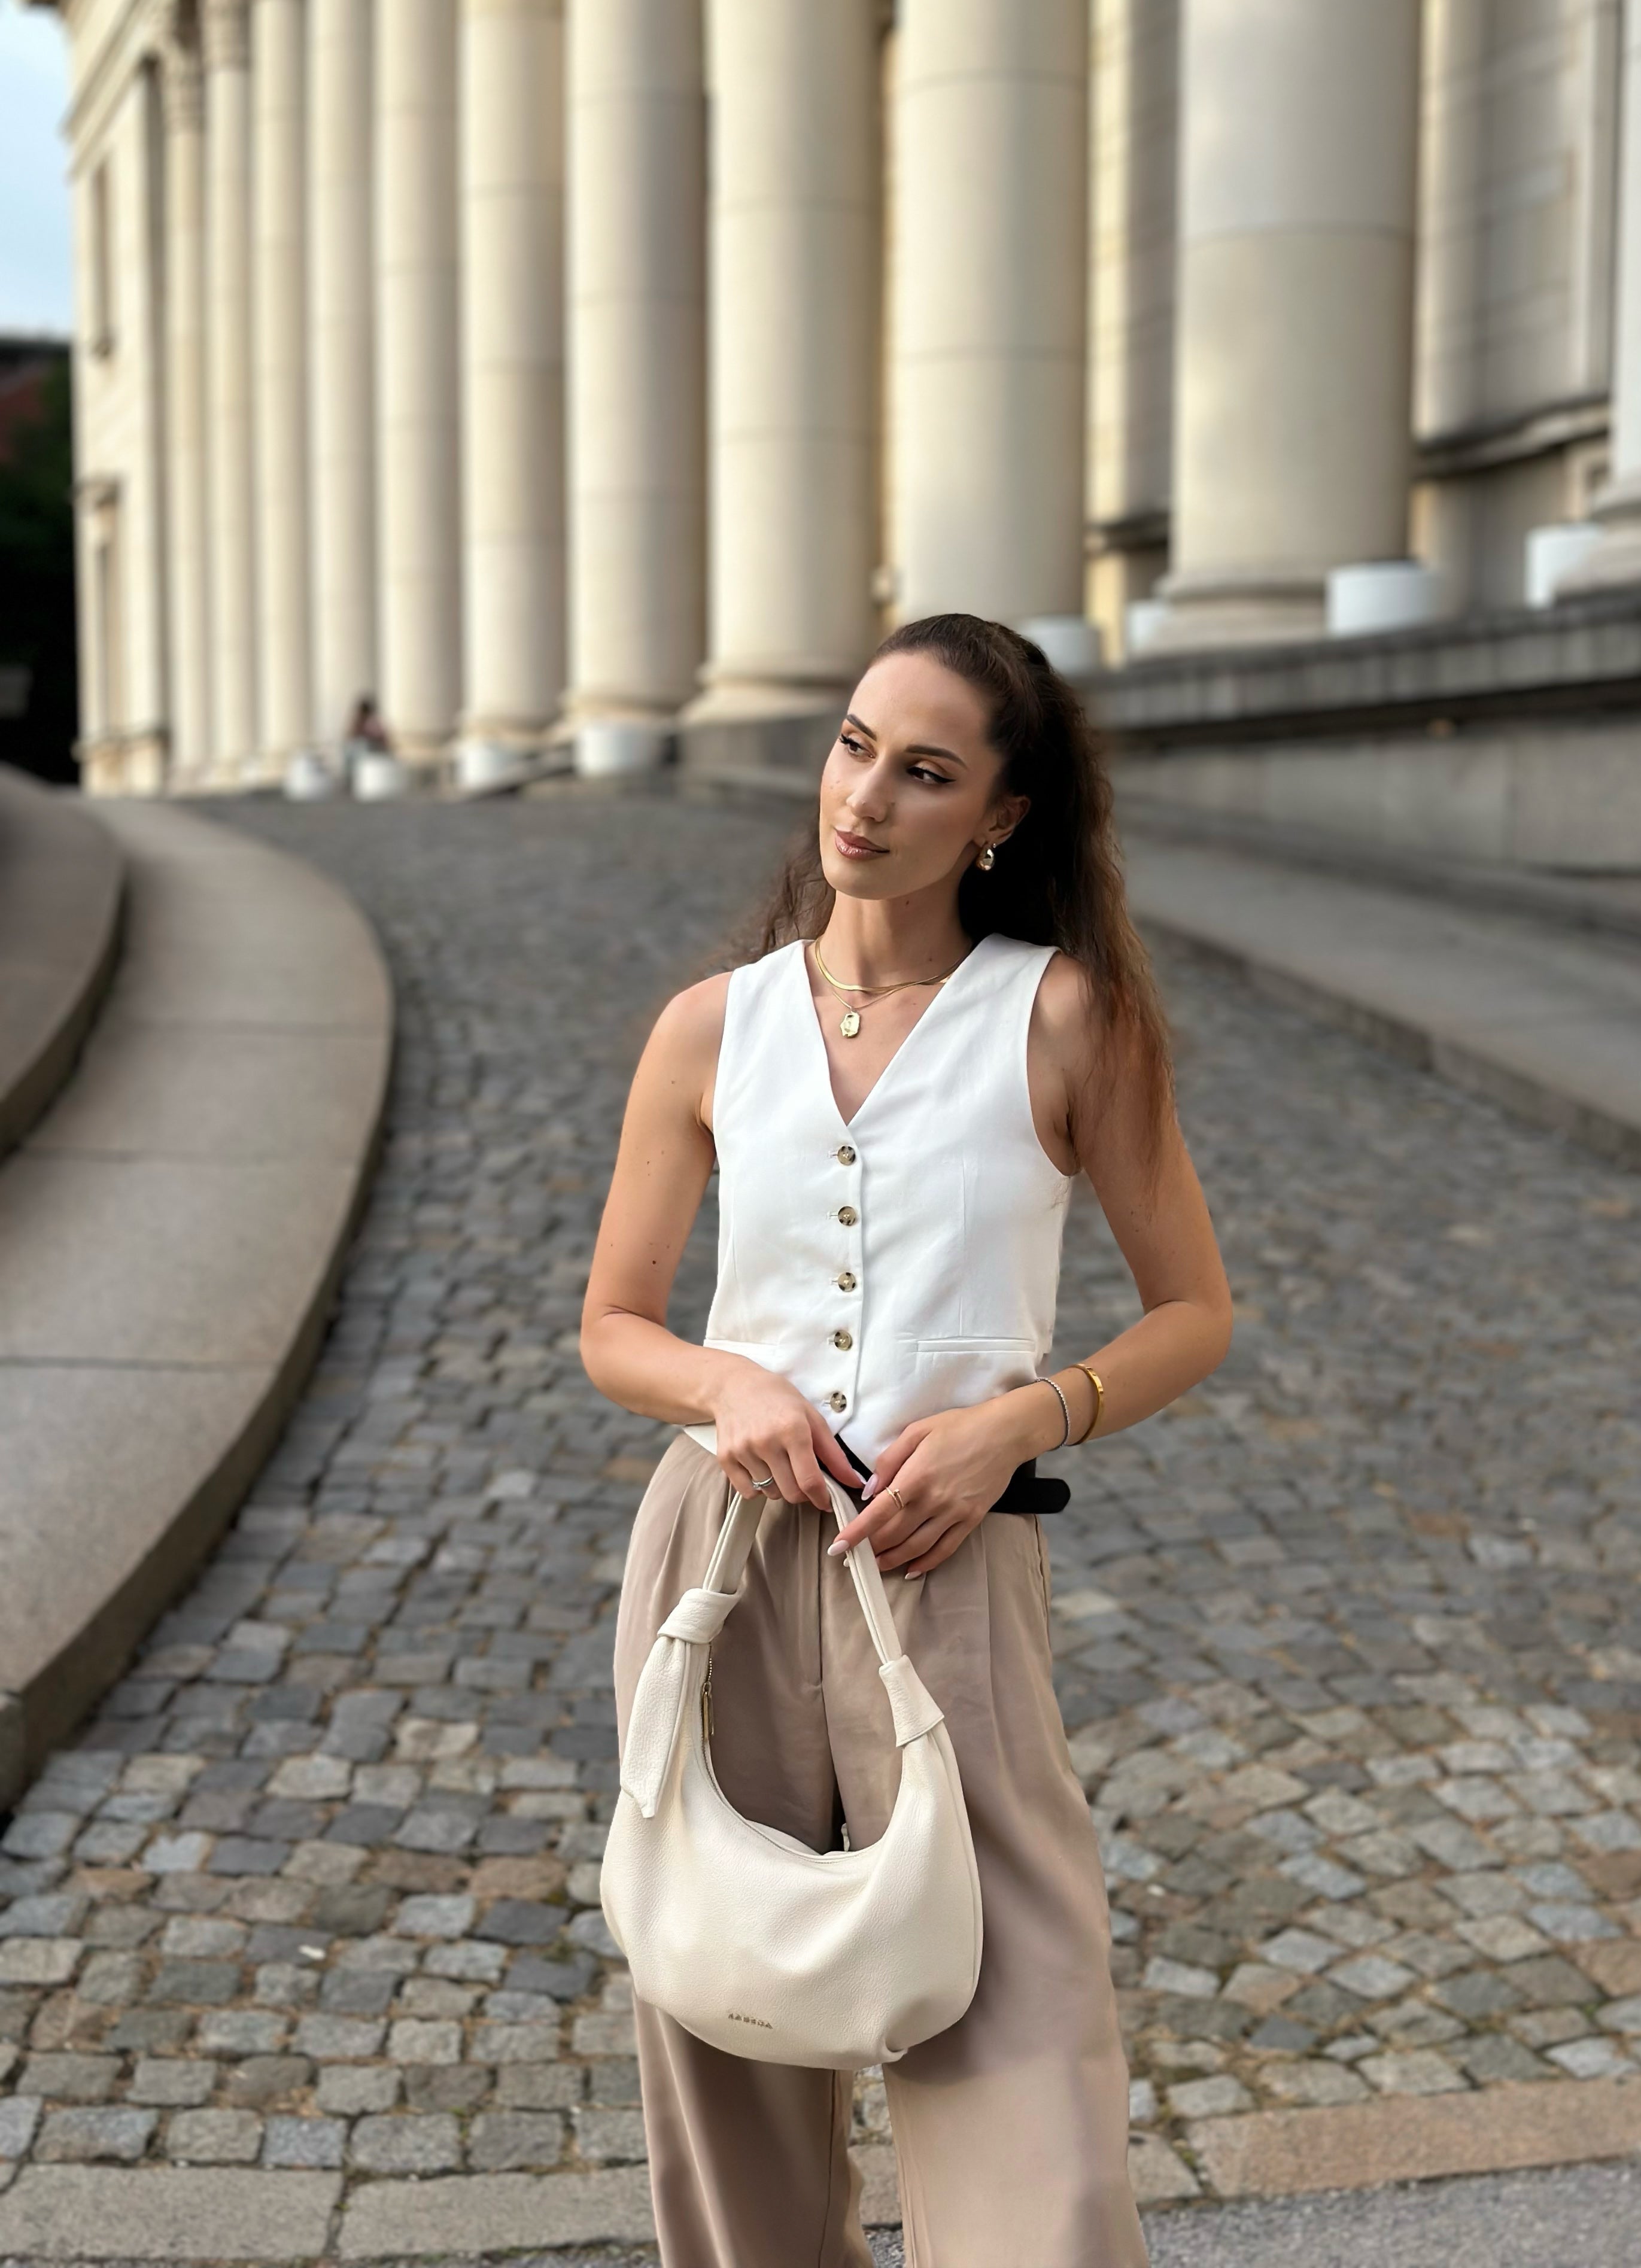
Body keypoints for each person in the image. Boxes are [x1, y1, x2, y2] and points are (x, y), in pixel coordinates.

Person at [580, 612, 1234, 2267]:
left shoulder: (1065, 1019)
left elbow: (1190, 1312)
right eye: (855, 746)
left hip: (948, 1559)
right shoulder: (709, 1027)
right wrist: (729, 1388)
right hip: (721, 1559)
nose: (865, 797)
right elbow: (616, 1326)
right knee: (723, 2014)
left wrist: (1020, 1419)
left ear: (1000, 816)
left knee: (1023, 2045)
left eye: (925, 771)